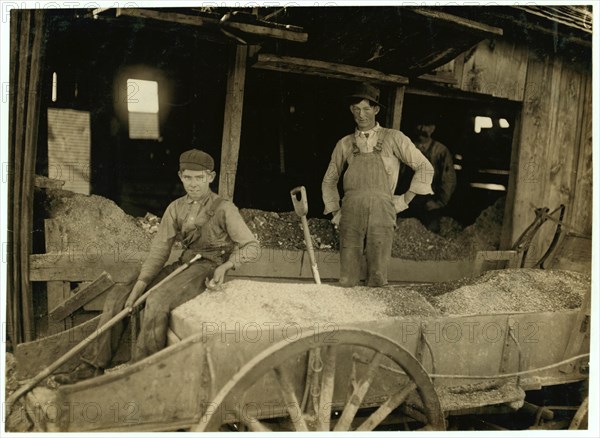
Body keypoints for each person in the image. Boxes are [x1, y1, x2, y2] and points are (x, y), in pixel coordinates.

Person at [56, 149, 260, 384]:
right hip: (184, 262)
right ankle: (92, 366)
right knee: (119, 295)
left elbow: (251, 246)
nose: (193, 184)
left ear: (210, 177)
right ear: (181, 176)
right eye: (188, 178)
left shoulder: (224, 208)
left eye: (199, 178)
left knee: (157, 300)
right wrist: (139, 285)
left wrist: (227, 267)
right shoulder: (176, 208)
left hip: (208, 266)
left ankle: (141, 373)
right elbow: (159, 251)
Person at [322, 83, 434, 288]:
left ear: (376, 110)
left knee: (377, 276)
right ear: (351, 110)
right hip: (351, 211)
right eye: (356, 109)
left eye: (366, 109)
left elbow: (425, 167)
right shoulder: (345, 144)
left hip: (383, 210)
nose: (361, 115)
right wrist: (335, 211)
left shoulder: (393, 138)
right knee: (347, 278)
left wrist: (404, 200)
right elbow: (329, 180)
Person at [406, 115, 457, 233]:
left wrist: (439, 203)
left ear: (433, 128)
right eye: (419, 124)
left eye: (427, 125)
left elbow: (448, 179)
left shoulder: (440, 151)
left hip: (429, 204)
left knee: (429, 235)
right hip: (407, 201)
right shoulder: (407, 147)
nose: (422, 129)